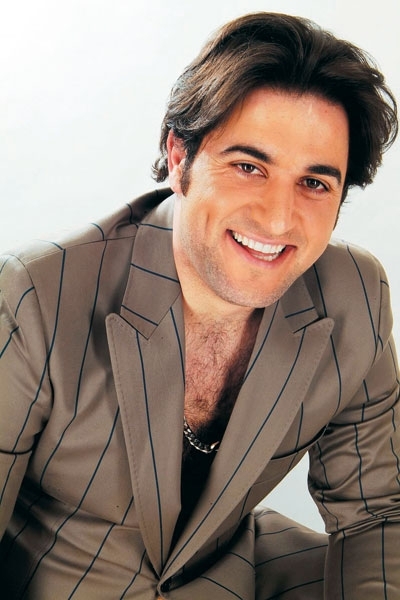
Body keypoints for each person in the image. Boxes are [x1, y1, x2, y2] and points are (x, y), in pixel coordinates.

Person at [0, 11, 399, 599]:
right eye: (249, 167)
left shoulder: (354, 295)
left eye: (314, 183)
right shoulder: (36, 294)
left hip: (230, 575)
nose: (278, 219)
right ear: (179, 156)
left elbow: (377, 514)